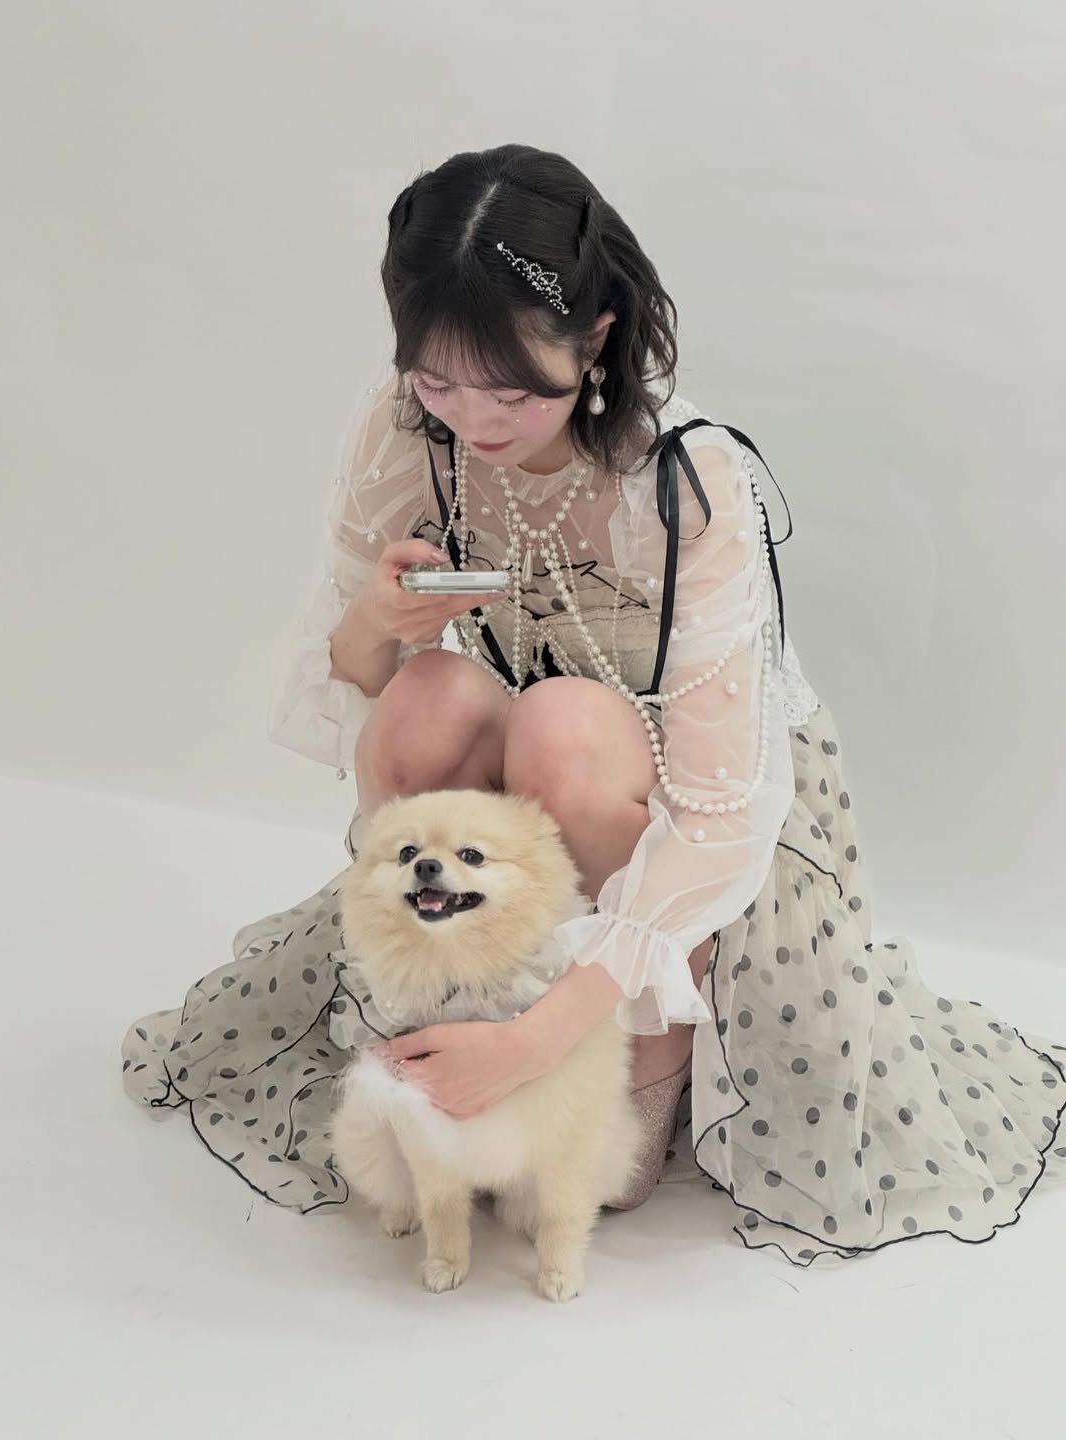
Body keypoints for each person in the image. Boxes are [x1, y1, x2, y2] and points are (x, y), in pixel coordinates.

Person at [123, 143, 1065, 1264]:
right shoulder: (408, 430)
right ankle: (458, 1000)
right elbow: (353, 682)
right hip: (528, 778)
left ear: (596, 338)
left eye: (515, 389)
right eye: (437, 380)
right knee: (427, 699)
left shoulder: (685, 478)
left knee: (563, 727)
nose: (473, 418)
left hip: (697, 811)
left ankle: (637, 1046)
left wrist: (540, 1047)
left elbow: (719, 811)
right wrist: (381, 617)